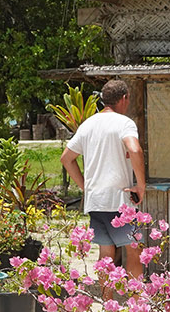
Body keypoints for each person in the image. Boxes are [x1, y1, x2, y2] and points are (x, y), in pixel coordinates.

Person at [62, 79, 147, 278]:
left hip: (96, 201)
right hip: (119, 200)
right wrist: (140, 186)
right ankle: (136, 304)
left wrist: (85, 187)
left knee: (105, 254)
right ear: (124, 99)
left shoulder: (88, 124)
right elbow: (135, 149)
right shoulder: (124, 123)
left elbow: (67, 158)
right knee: (134, 251)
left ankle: (109, 306)